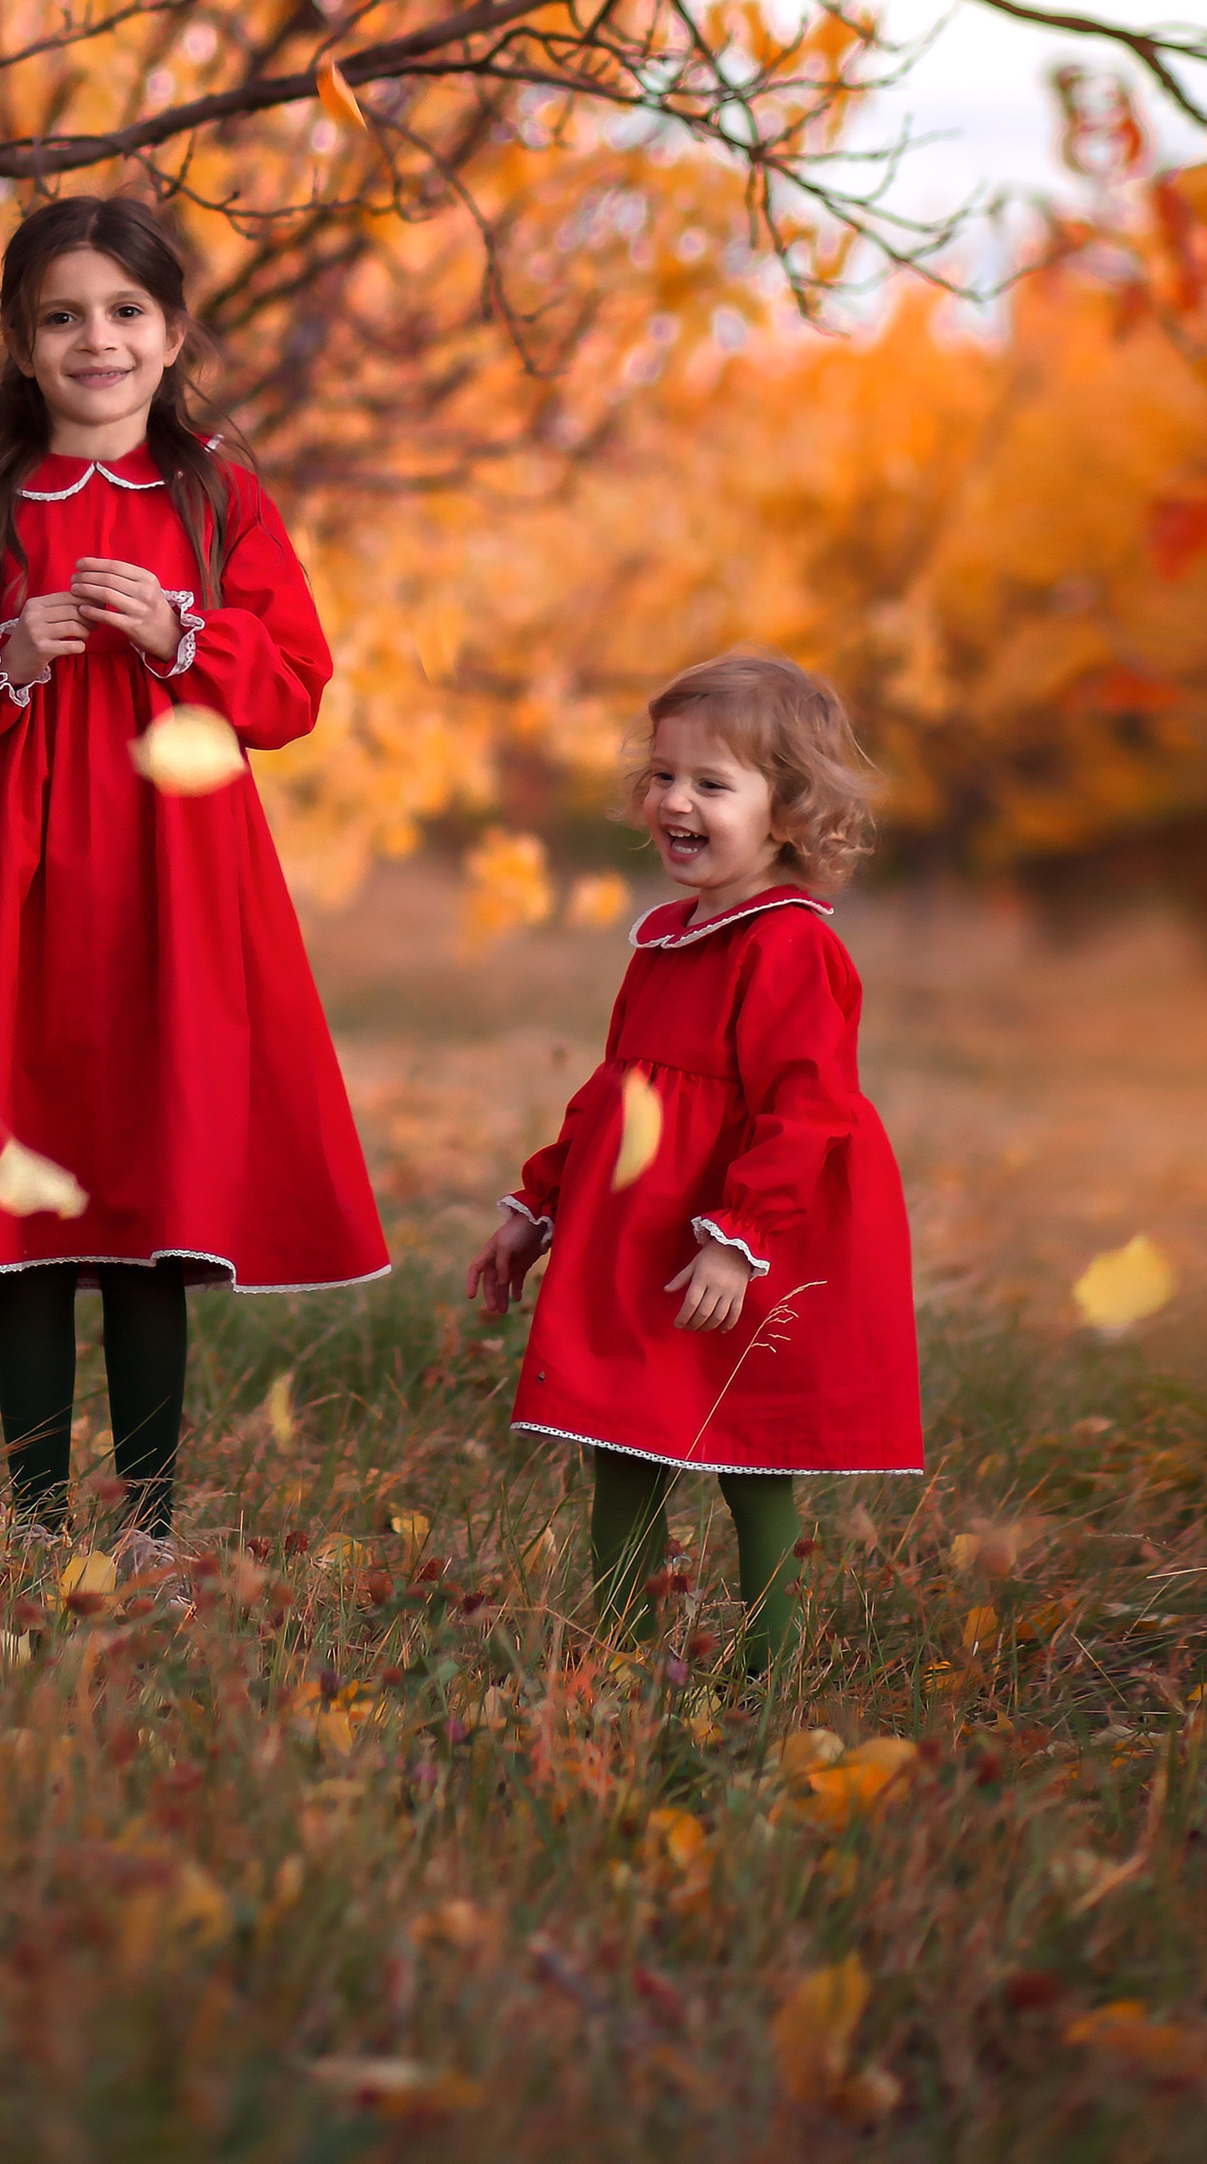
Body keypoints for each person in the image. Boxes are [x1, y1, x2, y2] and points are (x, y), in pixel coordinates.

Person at [0, 193, 388, 1555]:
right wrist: (5, 657)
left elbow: (293, 692)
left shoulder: (217, 496)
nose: (97, 338)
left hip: (176, 882)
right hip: (14, 891)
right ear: (23, 348)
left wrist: (178, 634)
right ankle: (38, 1520)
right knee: (31, 1194)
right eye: (63, 316)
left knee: (155, 1191)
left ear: (172, 334)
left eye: (125, 312)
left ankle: (146, 1524)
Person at [468, 651, 922, 1674]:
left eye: (712, 784)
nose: (676, 800)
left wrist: (740, 1240)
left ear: (788, 812)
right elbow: (613, 1090)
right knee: (623, 1441)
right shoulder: (668, 938)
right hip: (642, 1238)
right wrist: (536, 1209)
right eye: (664, 775)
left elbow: (808, 1112)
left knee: (748, 1456)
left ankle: (766, 1670)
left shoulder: (789, 947)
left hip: (730, 1249)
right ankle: (616, 1655)